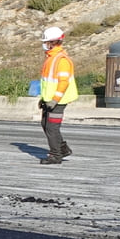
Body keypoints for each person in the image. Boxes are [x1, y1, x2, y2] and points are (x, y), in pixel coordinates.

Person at [37, 25, 78, 165]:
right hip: (50, 99)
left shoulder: (61, 60)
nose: (44, 44)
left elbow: (63, 82)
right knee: (45, 124)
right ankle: (62, 148)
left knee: (52, 128)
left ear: (53, 42)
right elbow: (48, 83)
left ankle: (55, 155)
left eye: (46, 42)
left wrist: (54, 100)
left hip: (59, 100)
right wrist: (44, 99)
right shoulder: (51, 58)